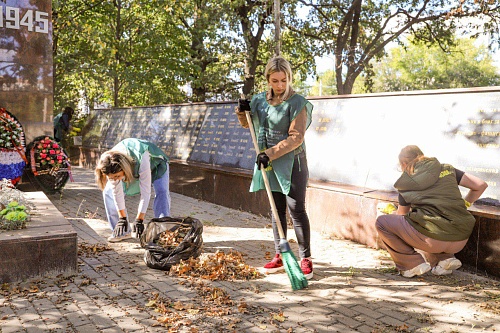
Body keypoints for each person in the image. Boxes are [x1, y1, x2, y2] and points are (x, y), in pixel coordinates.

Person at [235, 56, 314, 279]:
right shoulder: (260, 101)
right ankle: (280, 255)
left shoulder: (297, 103)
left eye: (283, 80)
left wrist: (268, 154)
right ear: (268, 79)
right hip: (268, 162)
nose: (280, 85)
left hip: (292, 163)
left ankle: (305, 258)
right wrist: (242, 111)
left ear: (289, 78)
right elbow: (247, 124)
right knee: (276, 210)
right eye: (275, 80)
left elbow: (296, 138)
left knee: (296, 209)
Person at [376, 145, 488, 278]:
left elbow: (402, 216)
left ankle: (411, 265)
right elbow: (480, 185)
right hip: (461, 239)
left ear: (404, 163)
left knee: (382, 223)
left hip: (432, 240)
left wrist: (391, 213)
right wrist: (466, 203)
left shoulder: (406, 181)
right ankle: (445, 259)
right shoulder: (447, 169)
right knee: (431, 221)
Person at [95, 138, 171, 242]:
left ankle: (163, 231)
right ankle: (122, 231)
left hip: (157, 164)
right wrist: (122, 218)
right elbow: (117, 193)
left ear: (124, 169)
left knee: (162, 191)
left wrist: (139, 219)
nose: (115, 179)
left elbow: (146, 192)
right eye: (112, 177)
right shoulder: (109, 163)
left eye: (117, 176)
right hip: (132, 166)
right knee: (108, 192)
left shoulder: (141, 156)